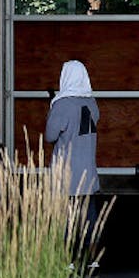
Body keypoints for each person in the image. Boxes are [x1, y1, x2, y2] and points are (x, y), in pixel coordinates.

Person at [45, 60, 102, 264]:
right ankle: (92, 258)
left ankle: (66, 259)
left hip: (66, 172)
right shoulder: (91, 103)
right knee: (89, 216)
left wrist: (51, 108)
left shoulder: (62, 104)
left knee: (65, 217)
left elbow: (50, 136)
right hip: (88, 171)